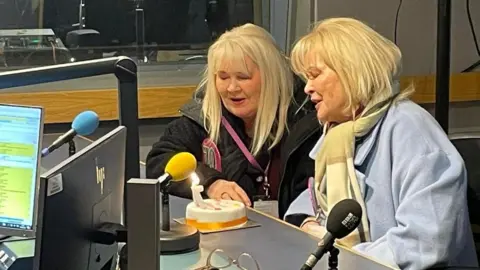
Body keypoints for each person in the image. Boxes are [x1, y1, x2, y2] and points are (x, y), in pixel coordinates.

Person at [283, 17, 478, 269]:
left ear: (351, 71)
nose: (307, 88)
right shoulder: (338, 133)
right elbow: (313, 200)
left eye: (315, 75)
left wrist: (342, 258)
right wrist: (307, 223)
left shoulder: (411, 129)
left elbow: (427, 242)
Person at [146, 23, 314, 216]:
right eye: (223, 77)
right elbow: (159, 161)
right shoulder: (204, 115)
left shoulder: (306, 121)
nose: (231, 88)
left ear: (271, 77)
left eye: (243, 77)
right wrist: (210, 182)